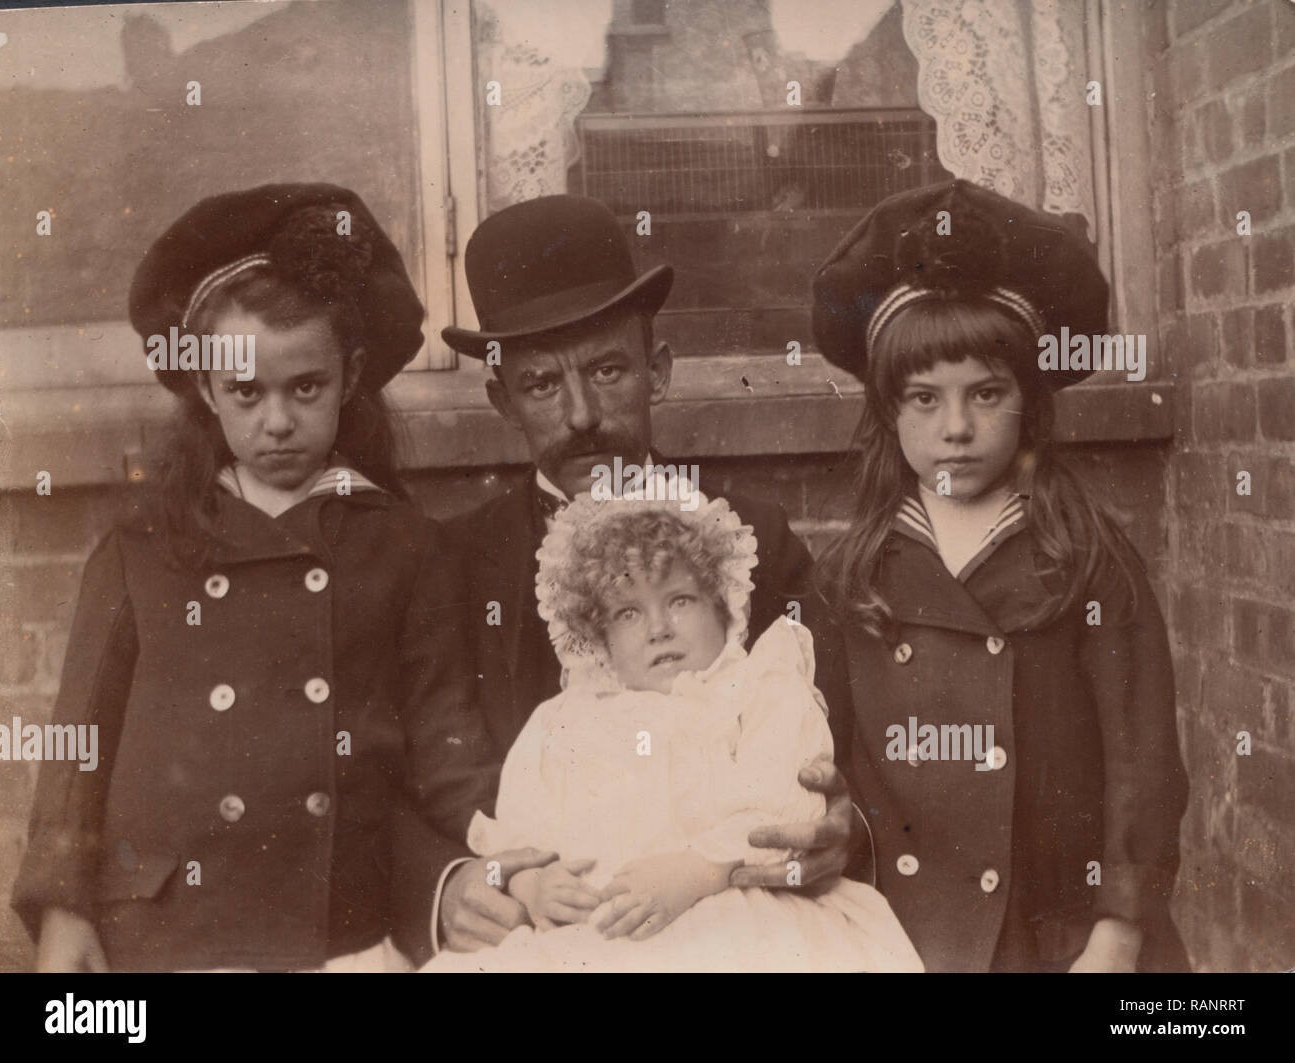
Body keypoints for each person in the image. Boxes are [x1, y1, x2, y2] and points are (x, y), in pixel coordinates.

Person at [12, 183, 496, 972]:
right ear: (205, 388)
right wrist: (65, 908)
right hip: (168, 930)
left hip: (337, 927)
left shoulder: (404, 546)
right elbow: (78, 748)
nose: (276, 421)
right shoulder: (141, 548)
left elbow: (445, 739)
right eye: (246, 392)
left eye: (306, 387)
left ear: (351, 377)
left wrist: (507, 844)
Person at [409, 195, 860, 958]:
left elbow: (832, 748)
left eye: (608, 369)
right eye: (543, 384)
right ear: (502, 401)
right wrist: (450, 879)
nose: (582, 413)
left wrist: (839, 826)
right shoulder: (451, 563)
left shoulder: (752, 542)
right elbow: (418, 760)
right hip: (541, 931)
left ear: (658, 371)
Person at [810, 179, 1190, 972]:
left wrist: (1119, 928)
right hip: (905, 933)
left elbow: (1141, 753)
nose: (956, 428)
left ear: (1031, 404)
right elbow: (829, 761)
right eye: (924, 398)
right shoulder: (853, 575)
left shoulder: (1083, 555)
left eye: (987, 393)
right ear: (887, 411)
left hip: (1064, 930)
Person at [423, 484, 923, 972]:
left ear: (722, 603)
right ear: (598, 635)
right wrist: (531, 883)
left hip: (733, 907)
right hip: (599, 929)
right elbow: (522, 824)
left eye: (680, 600)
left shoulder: (757, 688)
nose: (658, 627)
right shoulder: (564, 719)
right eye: (628, 612)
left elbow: (786, 804)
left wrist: (700, 870)